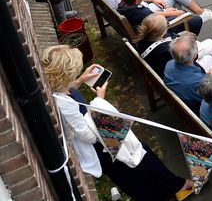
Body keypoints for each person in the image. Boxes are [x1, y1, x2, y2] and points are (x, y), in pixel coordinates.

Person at [41, 44, 193, 200]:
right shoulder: (63, 104)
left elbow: (67, 92)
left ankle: (171, 188)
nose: (78, 71)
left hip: (104, 133)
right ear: (64, 74)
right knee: (135, 170)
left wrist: (80, 80)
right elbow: (88, 137)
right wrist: (99, 101)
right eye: (75, 71)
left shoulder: (58, 88)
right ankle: (172, 189)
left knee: (142, 156)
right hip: (102, 147)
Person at [119, 0, 203, 36]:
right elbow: (153, 18)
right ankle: (188, 40)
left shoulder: (122, 5)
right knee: (196, 20)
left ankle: (182, 14)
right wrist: (176, 14)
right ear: (137, 1)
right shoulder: (142, 12)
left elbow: (151, 14)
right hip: (157, 32)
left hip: (145, 24)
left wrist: (166, 10)